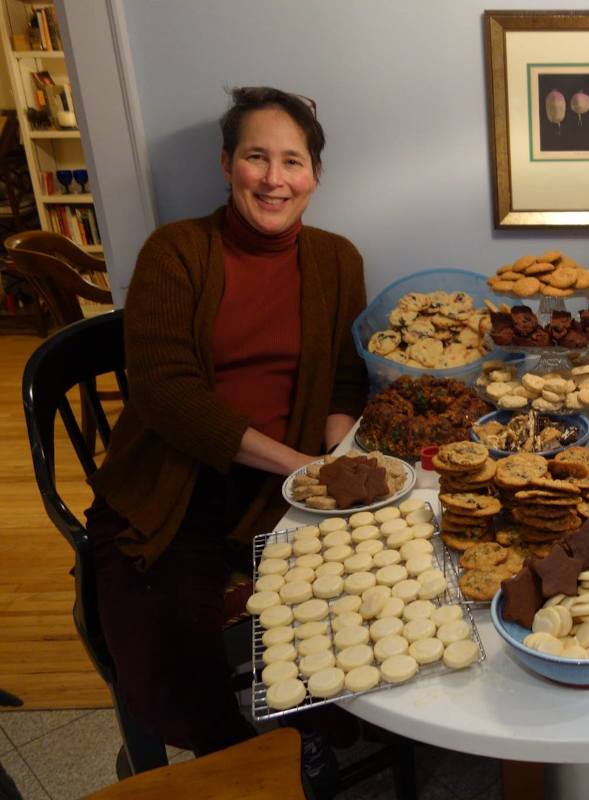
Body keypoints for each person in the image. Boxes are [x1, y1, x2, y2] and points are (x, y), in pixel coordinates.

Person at [84, 87, 367, 781]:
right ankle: (237, 764)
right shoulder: (176, 252)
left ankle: (306, 731)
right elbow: (166, 394)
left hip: (285, 486)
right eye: (256, 157)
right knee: (172, 638)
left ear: (315, 175)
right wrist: (299, 463)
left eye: (292, 161)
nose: (274, 179)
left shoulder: (337, 259)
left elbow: (345, 378)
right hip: (176, 487)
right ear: (226, 164)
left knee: (341, 605)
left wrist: (328, 463)